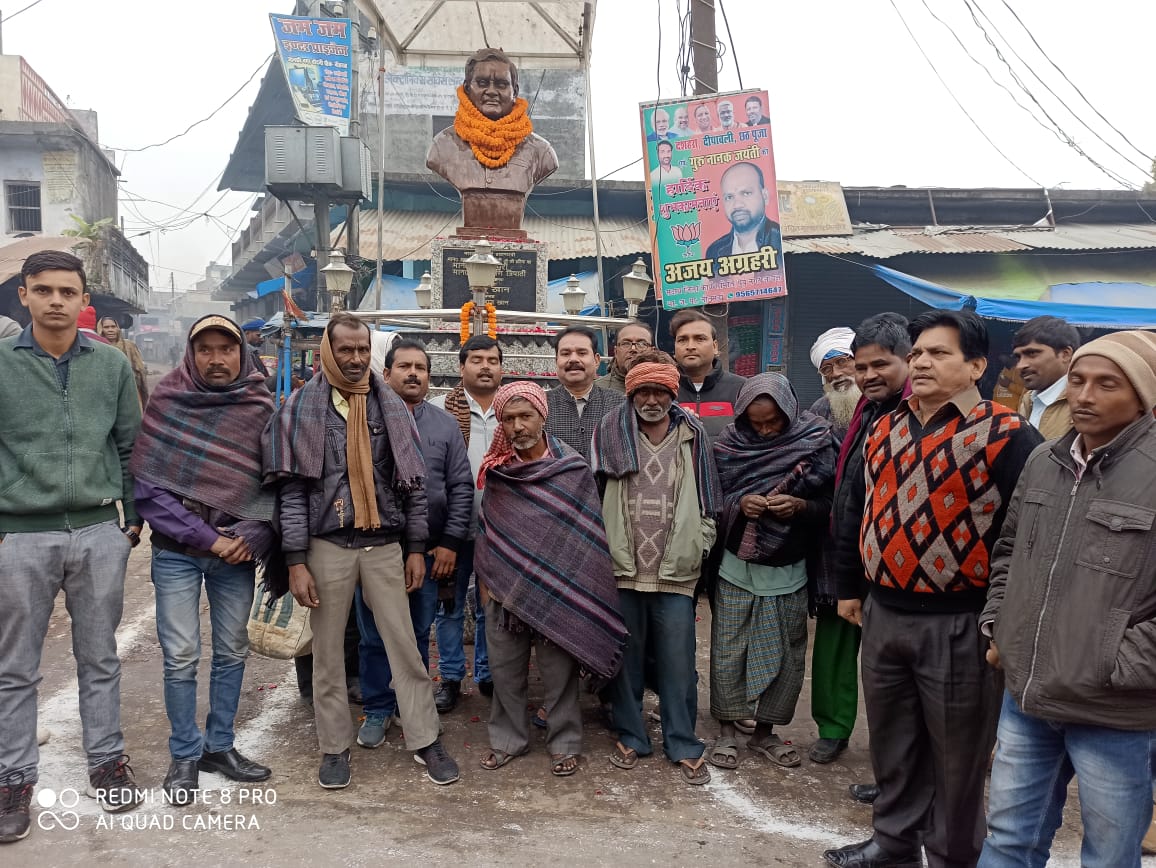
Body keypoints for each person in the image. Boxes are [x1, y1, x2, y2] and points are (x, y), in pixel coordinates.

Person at [823, 310, 1042, 868]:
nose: (921, 362)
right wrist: (849, 585)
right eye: (917, 352)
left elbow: (1030, 540)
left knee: (956, 759)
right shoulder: (884, 426)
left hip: (960, 621)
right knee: (893, 746)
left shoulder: (1008, 434)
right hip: (884, 612)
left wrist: (1001, 624)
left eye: (938, 353)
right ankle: (894, 845)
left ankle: (951, 856)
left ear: (975, 365)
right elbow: (857, 510)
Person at [979, 330, 1156, 868]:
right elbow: (1008, 552)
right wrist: (999, 627)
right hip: (1028, 695)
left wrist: (1119, 664)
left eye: (1107, 384)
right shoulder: (1045, 462)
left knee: (1107, 855)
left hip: (1114, 708)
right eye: (1078, 380)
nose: (1084, 396)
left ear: (1144, 396)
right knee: (1008, 839)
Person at [264, 312, 459, 788]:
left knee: (406, 646)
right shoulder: (301, 407)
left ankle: (425, 739)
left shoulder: (388, 404)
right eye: (344, 350)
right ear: (329, 351)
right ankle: (334, 748)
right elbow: (291, 492)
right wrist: (294, 561)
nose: (354, 359)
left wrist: (415, 547)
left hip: (384, 545)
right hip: (326, 545)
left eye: (360, 349)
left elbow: (413, 486)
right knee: (328, 653)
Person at [0, 250, 144, 843]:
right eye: (44, 290)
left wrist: (130, 523)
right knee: (15, 668)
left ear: (84, 301)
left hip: (96, 532)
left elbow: (132, 445)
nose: (56, 300)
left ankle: (107, 763)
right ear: (24, 298)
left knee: (100, 657)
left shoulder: (110, 366)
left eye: (67, 291)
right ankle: (13, 780)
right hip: (20, 534)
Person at [131, 314, 280, 804]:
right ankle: (184, 754)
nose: (217, 360)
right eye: (206, 350)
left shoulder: (259, 406)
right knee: (180, 656)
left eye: (226, 349)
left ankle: (220, 747)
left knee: (232, 652)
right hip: (178, 554)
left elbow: (275, 483)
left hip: (235, 555)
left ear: (242, 353)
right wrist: (208, 538)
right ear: (191, 355)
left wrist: (250, 532)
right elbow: (148, 491)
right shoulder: (168, 403)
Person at [474, 382, 627, 776]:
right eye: (508, 419)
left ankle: (565, 743)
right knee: (505, 672)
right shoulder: (497, 471)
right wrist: (488, 585)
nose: (517, 426)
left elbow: (585, 536)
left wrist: (573, 587)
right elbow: (487, 529)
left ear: (543, 417)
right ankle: (509, 739)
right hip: (505, 591)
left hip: (559, 592)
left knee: (560, 678)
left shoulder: (571, 468)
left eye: (525, 416)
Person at [592, 352, 721, 786]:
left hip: (676, 572)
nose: (652, 399)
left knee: (678, 662)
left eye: (660, 391)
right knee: (625, 659)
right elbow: (591, 495)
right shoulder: (610, 431)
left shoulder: (693, 433)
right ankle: (632, 734)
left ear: (672, 393)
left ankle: (682, 740)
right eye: (643, 390)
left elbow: (708, 498)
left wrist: (699, 542)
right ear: (631, 393)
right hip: (623, 567)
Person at [707, 374, 836, 773]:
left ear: (791, 412)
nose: (763, 430)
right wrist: (738, 504)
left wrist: (799, 507)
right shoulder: (727, 445)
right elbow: (711, 497)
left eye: (773, 423)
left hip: (790, 568)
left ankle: (765, 731)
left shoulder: (817, 441)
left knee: (786, 654)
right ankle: (727, 729)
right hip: (736, 567)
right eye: (755, 423)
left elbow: (831, 503)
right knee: (729, 650)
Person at [354, 340, 473, 749]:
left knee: (419, 632)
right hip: (374, 549)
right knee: (373, 635)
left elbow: (460, 488)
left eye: (420, 367)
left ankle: (414, 705)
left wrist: (450, 544)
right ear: (385, 375)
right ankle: (378, 707)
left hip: (430, 551)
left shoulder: (444, 426)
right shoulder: (362, 422)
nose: (413, 373)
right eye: (403, 366)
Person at [821, 314, 911, 786]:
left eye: (881, 364)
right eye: (859, 366)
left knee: (896, 681)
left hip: (903, 571)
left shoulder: (919, 413)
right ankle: (846, 741)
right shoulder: (861, 412)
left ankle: (897, 777)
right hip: (850, 554)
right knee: (859, 666)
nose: (861, 375)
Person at [428, 335, 502, 709]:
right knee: (450, 605)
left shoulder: (513, 408)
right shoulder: (439, 410)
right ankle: (452, 677)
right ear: (461, 367)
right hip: (451, 531)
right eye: (476, 359)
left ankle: (488, 674)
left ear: (502, 368)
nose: (485, 366)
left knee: (491, 606)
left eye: (492, 360)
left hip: (500, 532)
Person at [426, 47, 558, 232]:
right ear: (467, 88)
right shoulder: (443, 145)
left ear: (515, 91)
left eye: (501, 85)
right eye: (482, 83)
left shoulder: (540, 152)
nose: (491, 91)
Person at [546, 325, 624, 463]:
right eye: (565, 354)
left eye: (582, 353)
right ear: (556, 361)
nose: (573, 359)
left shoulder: (619, 404)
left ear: (597, 360)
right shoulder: (541, 406)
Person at [672, 309, 746, 444]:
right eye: (682, 340)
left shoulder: (742, 389)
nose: (690, 346)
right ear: (675, 348)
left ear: (715, 346)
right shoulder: (663, 392)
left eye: (700, 339)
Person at [1011, 315, 1080, 440]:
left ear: (1065, 354)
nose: (1021, 365)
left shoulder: (1083, 402)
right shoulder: (1028, 400)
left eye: (1032, 353)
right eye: (1018, 357)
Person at [704, 162, 784, 264]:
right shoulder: (714, 251)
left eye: (746, 193)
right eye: (729, 197)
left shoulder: (781, 242)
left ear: (765, 196)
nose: (737, 205)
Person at [808, 326, 863, 444]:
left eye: (842, 362)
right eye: (826, 369)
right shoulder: (819, 411)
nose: (836, 374)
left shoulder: (880, 399)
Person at [100, 315, 149, 408]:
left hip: (129, 391)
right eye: (106, 327)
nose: (110, 330)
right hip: (105, 394)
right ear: (101, 329)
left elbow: (140, 369)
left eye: (113, 326)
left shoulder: (129, 346)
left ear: (117, 328)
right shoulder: (97, 347)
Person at [596, 320, 654, 394]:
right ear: (616, 351)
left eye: (641, 344)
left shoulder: (664, 387)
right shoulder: (597, 390)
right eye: (626, 343)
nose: (633, 349)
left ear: (652, 351)